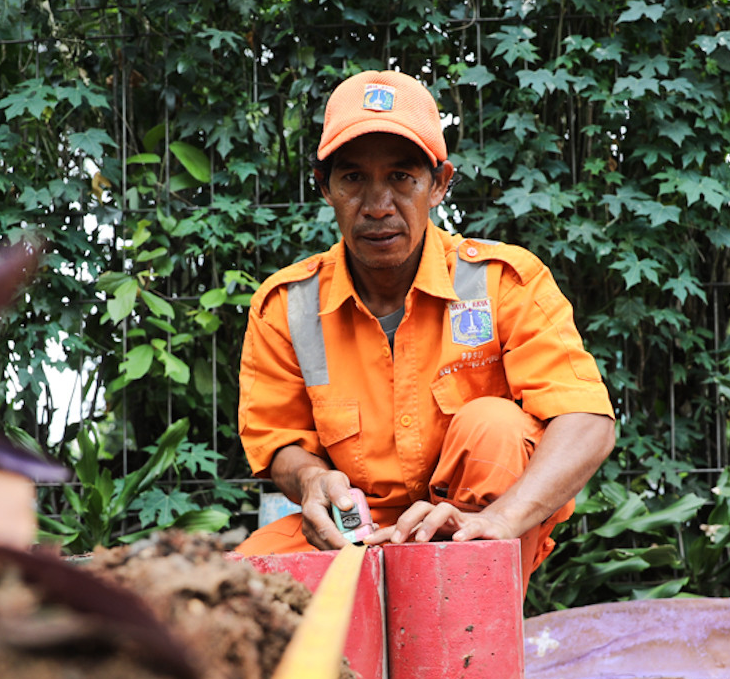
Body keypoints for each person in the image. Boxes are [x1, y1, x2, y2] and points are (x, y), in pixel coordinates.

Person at [234, 70, 616, 591]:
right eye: (352, 178)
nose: (377, 205)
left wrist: (500, 521)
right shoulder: (288, 304)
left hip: (475, 530)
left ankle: (470, 645)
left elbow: (587, 420)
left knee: (495, 428)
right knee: (232, 595)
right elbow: (279, 440)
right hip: (355, 533)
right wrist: (311, 479)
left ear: (438, 183)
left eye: (401, 178)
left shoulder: (503, 281)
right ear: (325, 187)